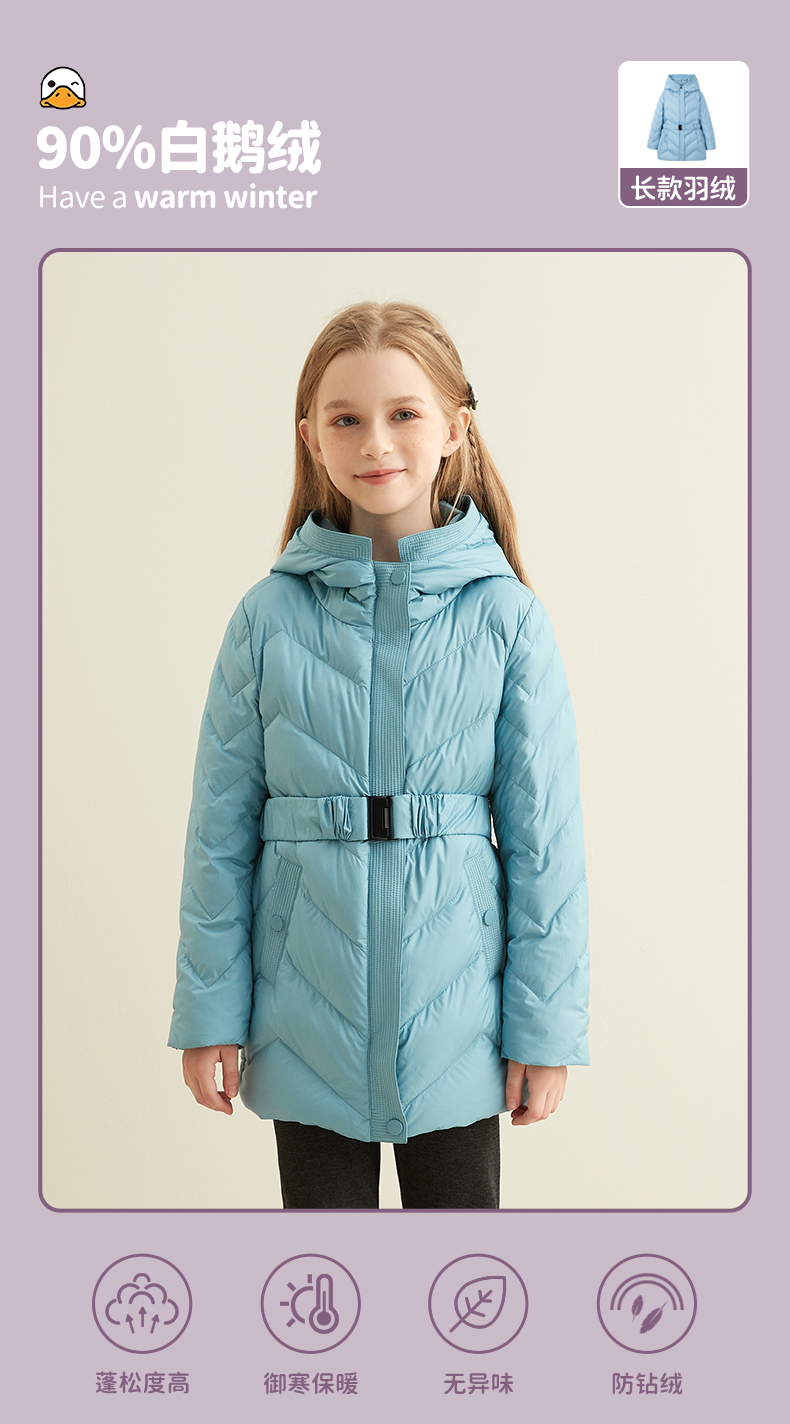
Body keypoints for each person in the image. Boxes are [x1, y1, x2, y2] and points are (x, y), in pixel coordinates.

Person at [168, 301, 589, 1209]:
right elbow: (218, 836)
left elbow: (546, 843)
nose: (376, 442)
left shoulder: (506, 618)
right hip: (303, 1014)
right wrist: (209, 1014)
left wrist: (545, 1029)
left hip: (462, 1026)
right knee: (328, 1279)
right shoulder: (267, 619)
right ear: (312, 439)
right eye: (346, 418)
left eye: (403, 413)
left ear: (454, 429)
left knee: (459, 1279)